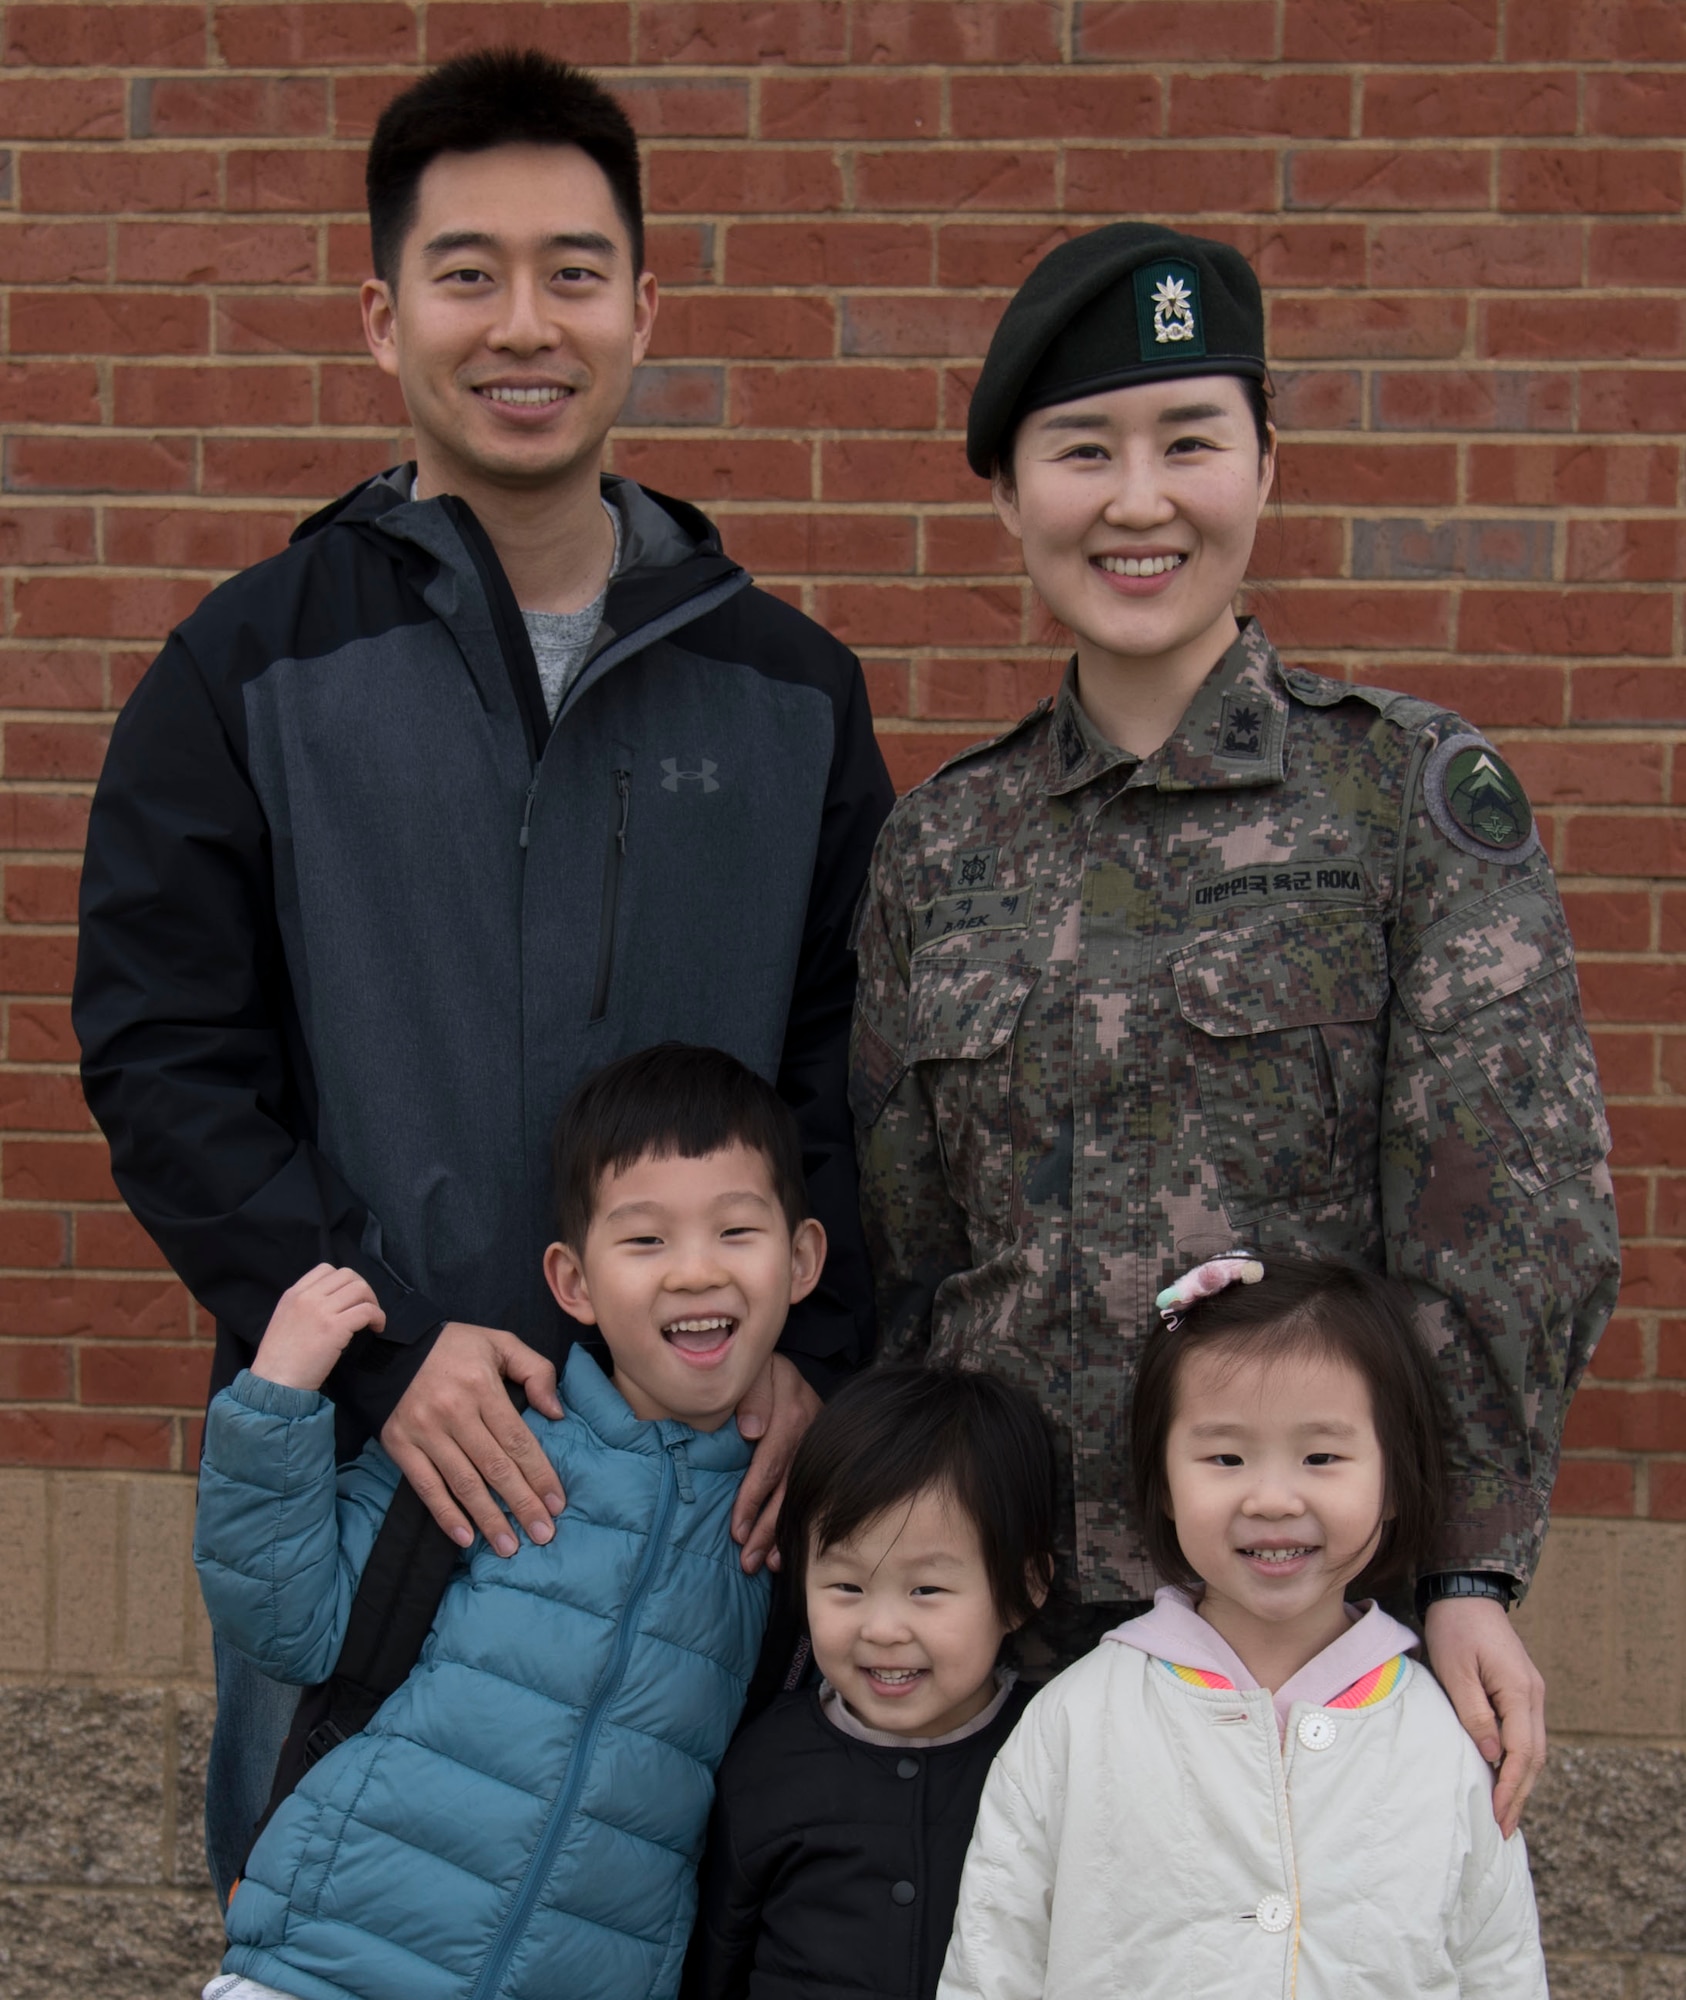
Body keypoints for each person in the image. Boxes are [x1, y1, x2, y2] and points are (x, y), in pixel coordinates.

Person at [73, 50, 891, 1899]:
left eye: (574, 271)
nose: (524, 324)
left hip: (696, 1516)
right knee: (335, 1926)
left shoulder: (785, 689)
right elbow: (161, 1051)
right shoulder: (245, 671)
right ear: (381, 315)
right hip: (381, 1492)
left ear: (644, 306)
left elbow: (849, 1059)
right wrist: (363, 1338)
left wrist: (811, 1359)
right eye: (467, 273)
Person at [849, 221, 1618, 1829]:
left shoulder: (1404, 801)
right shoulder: (940, 847)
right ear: (1006, 497)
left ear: (1265, 466)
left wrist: (1467, 1566)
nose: (1138, 501)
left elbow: (1511, 1227)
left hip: (1306, 1641)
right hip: (1001, 1641)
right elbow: (911, 1258)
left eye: (1188, 440)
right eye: (1081, 452)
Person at [195, 1044, 826, 2000]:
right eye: (646, 1241)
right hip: (326, 1967)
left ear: (803, 1260)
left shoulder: (792, 1515)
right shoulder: (490, 1438)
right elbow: (286, 1623)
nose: (695, 1273)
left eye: (737, 1232)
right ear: (573, 1281)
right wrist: (278, 1391)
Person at [938, 1254, 1548, 2000]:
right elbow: (991, 1965)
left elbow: (1500, 1968)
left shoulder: (1444, 1743)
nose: (1271, 1498)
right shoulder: (1073, 1721)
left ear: (1394, 1480)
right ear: (1163, 1482)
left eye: (1322, 1456)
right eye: (1226, 1456)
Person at [683, 1364, 1056, 2000]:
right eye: (847, 1586)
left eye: (927, 1589)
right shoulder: (768, 1762)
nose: (882, 1629)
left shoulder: (1051, 1752)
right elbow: (716, 1957)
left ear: (1021, 1590)